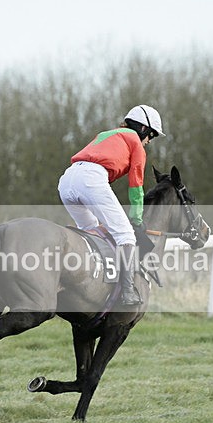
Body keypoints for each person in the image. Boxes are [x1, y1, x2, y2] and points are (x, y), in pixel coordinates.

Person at [58, 104, 165, 306]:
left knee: (90, 230)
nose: (149, 141)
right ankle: (127, 292)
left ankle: (88, 283)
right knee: (125, 234)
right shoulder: (136, 143)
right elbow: (136, 187)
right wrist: (136, 218)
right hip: (91, 178)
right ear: (143, 129)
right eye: (151, 135)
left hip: (67, 179)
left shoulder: (107, 134)